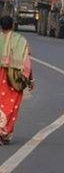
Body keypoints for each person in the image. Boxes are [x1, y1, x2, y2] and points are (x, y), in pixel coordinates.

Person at [0, 16, 33, 144]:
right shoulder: (20, 40)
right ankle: (4, 133)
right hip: (13, 78)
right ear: (12, 25)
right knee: (11, 105)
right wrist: (30, 80)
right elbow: (27, 63)